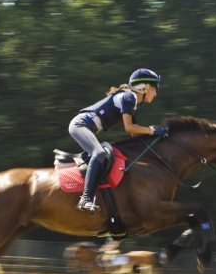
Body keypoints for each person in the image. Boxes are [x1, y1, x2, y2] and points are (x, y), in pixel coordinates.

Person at [69, 68, 166, 213]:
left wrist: (155, 139)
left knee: (101, 153)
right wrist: (152, 130)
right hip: (80, 125)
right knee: (99, 153)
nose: (155, 93)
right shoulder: (129, 97)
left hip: (85, 126)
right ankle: (85, 199)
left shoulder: (130, 100)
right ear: (143, 87)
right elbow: (129, 127)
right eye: (153, 89)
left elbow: (134, 133)